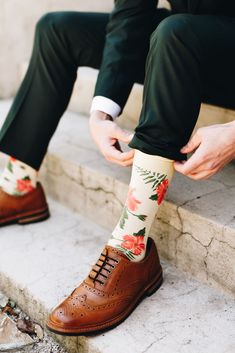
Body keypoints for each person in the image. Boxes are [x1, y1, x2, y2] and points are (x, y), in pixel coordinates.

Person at [0, 0, 235, 335]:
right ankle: (19, 187)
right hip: (189, 39)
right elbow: (130, 15)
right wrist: (101, 113)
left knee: (176, 32)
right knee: (56, 28)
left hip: (209, 45)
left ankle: (130, 247)